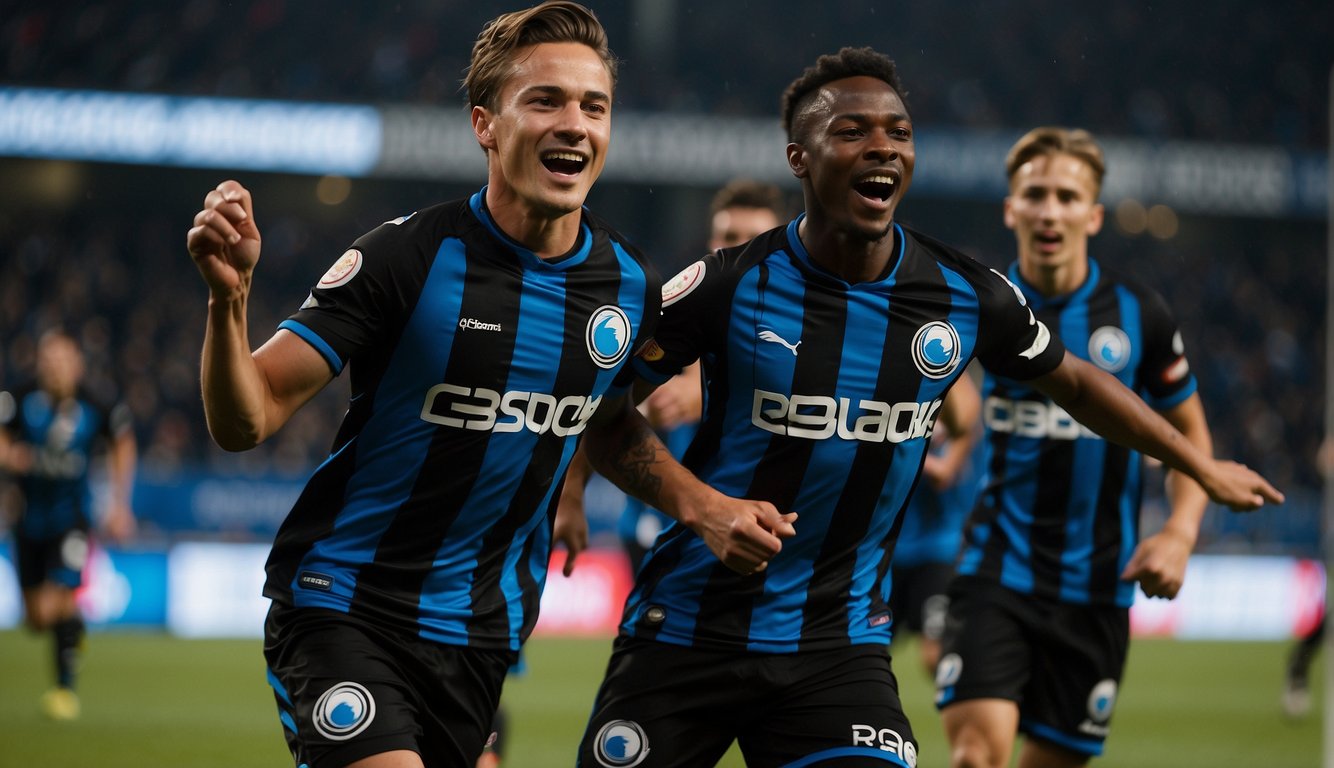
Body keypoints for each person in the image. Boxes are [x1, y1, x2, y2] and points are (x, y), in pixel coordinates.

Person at [567, 48, 1281, 768]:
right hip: (689, 630)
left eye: (899, 132)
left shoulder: (965, 295)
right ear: (800, 158)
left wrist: (1201, 467)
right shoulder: (726, 286)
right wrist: (701, 506)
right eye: (851, 131)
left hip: (837, 650)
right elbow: (599, 414)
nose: (882, 146)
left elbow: (1080, 384)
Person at [184, 3, 659, 766]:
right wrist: (229, 299)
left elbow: (606, 420)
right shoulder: (405, 258)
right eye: (545, 100)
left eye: (593, 106)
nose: (575, 123)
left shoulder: (630, 288)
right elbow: (249, 419)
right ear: (486, 124)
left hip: (480, 637)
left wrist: (593, 497)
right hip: (345, 608)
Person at [934, 126, 1230, 768]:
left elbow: (1193, 440)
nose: (1049, 210)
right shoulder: (975, 305)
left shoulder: (1138, 313)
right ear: (1010, 208)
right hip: (996, 572)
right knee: (974, 756)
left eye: (1067, 196)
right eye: (1035, 194)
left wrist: (1179, 533)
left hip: (1099, 589)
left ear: (1093, 215)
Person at [0, 329, 137, 721]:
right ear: (40, 364)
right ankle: (73, 627)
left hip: (72, 519)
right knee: (36, 618)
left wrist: (118, 504)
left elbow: (123, 442)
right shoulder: (19, 398)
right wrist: (12, 457)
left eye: (62, 362)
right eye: (49, 362)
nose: (55, 370)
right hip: (27, 519)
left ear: (76, 364)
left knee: (59, 596)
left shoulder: (97, 403)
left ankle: (63, 691)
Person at [889, 369, 982, 680]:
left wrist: (901, 451)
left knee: (935, 652)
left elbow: (945, 474)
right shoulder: (896, 410)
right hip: (888, 547)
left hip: (937, 550)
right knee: (863, 645)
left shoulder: (960, 428)